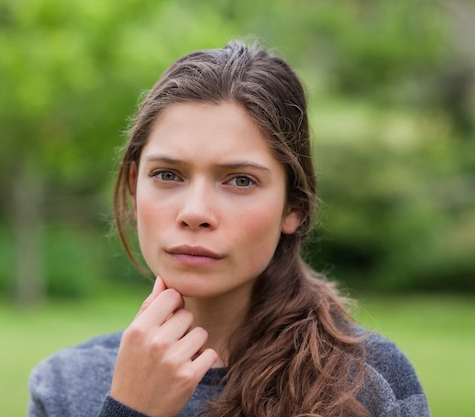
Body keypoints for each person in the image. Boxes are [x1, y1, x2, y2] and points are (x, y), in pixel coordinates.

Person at [27, 40, 431, 417]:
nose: (195, 212)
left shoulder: (366, 384)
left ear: (293, 206)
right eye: (168, 174)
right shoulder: (65, 387)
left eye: (240, 180)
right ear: (134, 187)